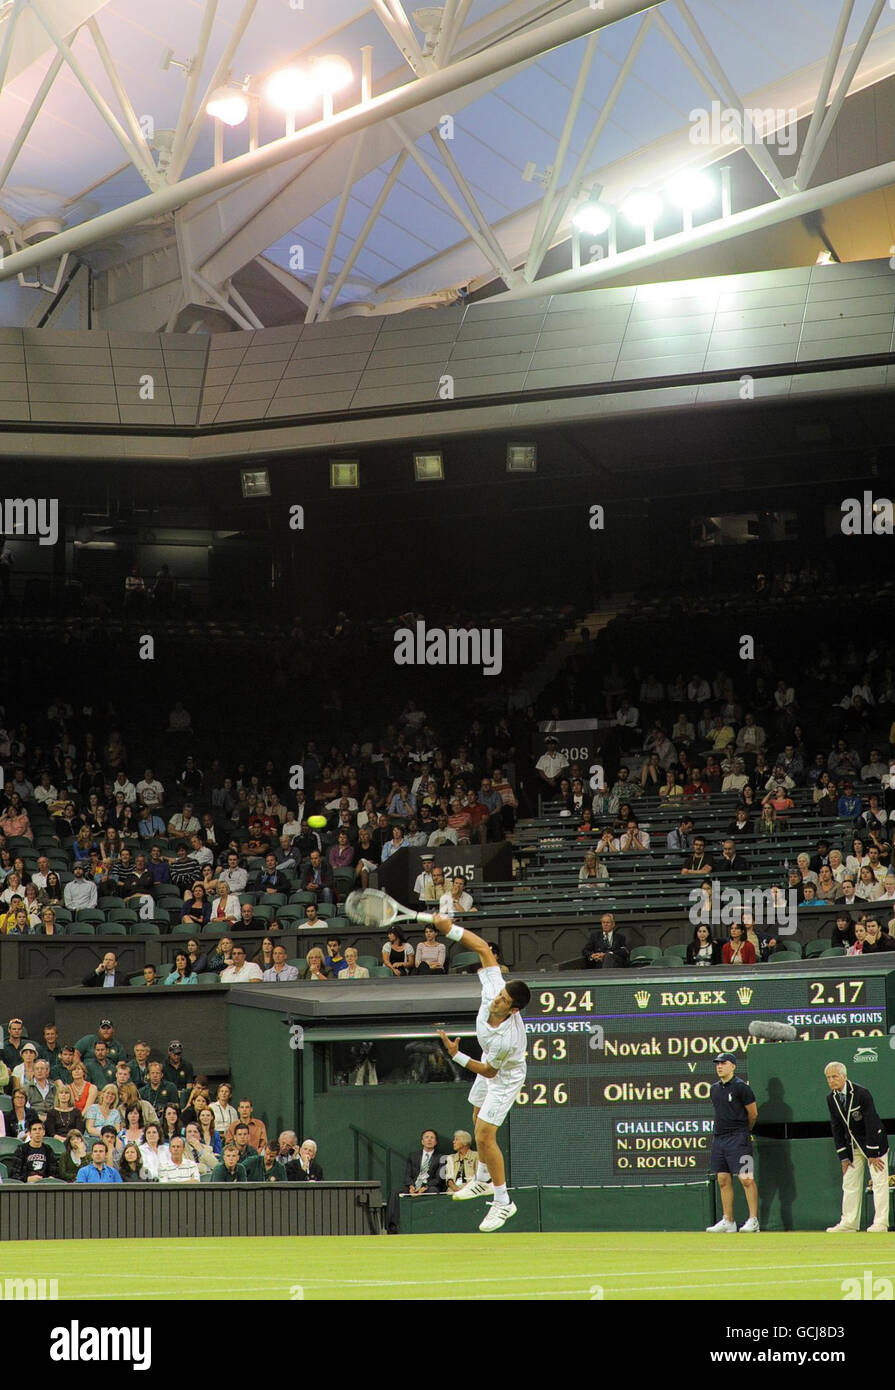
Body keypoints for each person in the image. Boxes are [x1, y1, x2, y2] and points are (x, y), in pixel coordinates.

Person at [434, 916, 530, 1232]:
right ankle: (483, 1180)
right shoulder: (494, 987)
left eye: (504, 1001)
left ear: (513, 1010)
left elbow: (489, 1070)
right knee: (476, 1117)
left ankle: (503, 1202)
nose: (497, 1000)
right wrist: (449, 929)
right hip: (490, 1061)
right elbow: (481, 948)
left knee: (484, 1135)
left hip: (505, 1075)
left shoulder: (509, 1039)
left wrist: (456, 1056)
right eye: (500, 994)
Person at [825, 1061, 889, 1232]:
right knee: (849, 1183)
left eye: (834, 1076)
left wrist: (873, 1153)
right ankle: (849, 1222)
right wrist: (843, 1157)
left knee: (879, 1182)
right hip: (852, 1145)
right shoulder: (831, 1098)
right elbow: (836, 1127)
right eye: (828, 1078)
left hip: (874, 1142)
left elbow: (872, 1122)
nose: (831, 1080)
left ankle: (881, 1223)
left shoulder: (862, 1093)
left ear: (844, 1077)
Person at [706, 1053, 760, 1233]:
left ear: (733, 1066)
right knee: (722, 1179)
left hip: (740, 1138)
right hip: (719, 1139)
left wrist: (745, 1131)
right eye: (717, 1064)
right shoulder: (714, 1089)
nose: (719, 1066)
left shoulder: (742, 1088)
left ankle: (753, 1220)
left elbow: (753, 1114)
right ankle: (728, 1220)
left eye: (723, 1063)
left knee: (746, 1178)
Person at [8, 1117, 58, 1181]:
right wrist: (27, 1179)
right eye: (34, 1129)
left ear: (44, 1132)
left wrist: (51, 1178)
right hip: (26, 1187)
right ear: (30, 1134)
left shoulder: (48, 1150)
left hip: (44, 1185)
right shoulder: (21, 1149)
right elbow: (14, 1175)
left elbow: (54, 1172)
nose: (37, 1132)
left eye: (40, 1129)